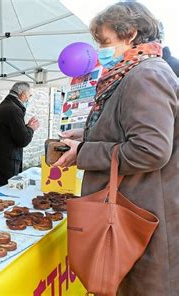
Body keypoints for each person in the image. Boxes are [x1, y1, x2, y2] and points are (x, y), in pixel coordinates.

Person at [54, 3, 178, 295]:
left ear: (131, 33)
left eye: (105, 42)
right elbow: (129, 129)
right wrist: (87, 134)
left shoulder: (145, 75)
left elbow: (151, 149)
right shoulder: (132, 73)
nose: (100, 50)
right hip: (135, 206)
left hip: (139, 212)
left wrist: (84, 152)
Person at [0, 82, 40, 190]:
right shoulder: (13, 110)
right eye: (29, 96)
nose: (28, 99)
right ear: (22, 95)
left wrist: (27, 126)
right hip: (5, 164)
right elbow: (22, 140)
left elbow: (13, 131)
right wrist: (31, 128)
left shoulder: (6, 106)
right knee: (3, 197)